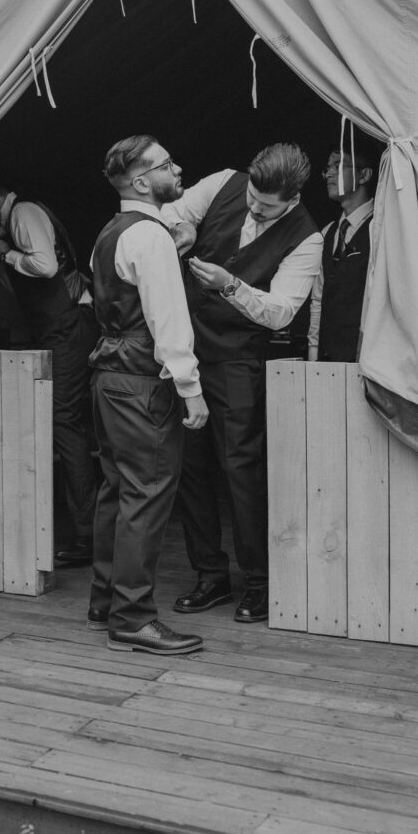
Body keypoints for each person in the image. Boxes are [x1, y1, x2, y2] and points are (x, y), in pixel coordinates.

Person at [164, 143, 322, 624]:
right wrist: (180, 227)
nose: (254, 206)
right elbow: (165, 213)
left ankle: (258, 581)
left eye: (266, 205)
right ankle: (209, 575)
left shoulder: (307, 236)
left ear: (292, 199)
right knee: (190, 468)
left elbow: (281, 312)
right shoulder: (223, 182)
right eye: (253, 196)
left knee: (242, 471)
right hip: (187, 350)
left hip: (237, 361)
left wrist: (230, 286)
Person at [88, 135, 209, 656]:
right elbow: (168, 320)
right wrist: (191, 388)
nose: (177, 169)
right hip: (142, 381)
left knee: (116, 490)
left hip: (108, 378)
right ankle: (133, 617)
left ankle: (104, 600)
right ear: (142, 181)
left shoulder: (111, 232)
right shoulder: (152, 238)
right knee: (147, 494)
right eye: (167, 164)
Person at [0, 164, 99, 567]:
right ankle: (85, 531)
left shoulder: (23, 213)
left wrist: (7, 254)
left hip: (69, 325)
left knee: (65, 423)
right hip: (60, 326)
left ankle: (88, 537)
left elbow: (45, 265)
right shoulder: (16, 219)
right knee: (66, 424)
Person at [307, 137, 381, 362]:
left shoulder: (381, 228)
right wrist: (313, 356)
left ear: (364, 175)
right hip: (327, 363)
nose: (329, 174)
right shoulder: (327, 233)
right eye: (328, 168)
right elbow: (317, 300)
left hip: (367, 361)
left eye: (338, 166)